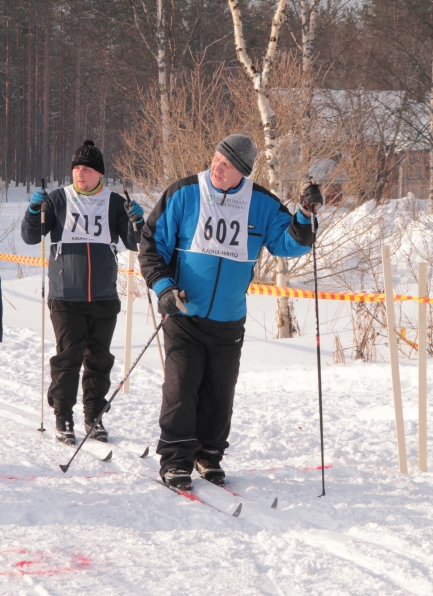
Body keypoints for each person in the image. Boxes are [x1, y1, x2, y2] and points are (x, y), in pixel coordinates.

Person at [138, 134, 323, 489]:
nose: (216, 167)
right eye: (215, 160)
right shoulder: (185, 192)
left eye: (226, 165)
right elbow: (151, 244)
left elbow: (289, 243)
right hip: (184, 313)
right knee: (181, 388)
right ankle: (176, 459)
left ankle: (208, 454)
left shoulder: (261, 203)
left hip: (229, 318)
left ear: (242, 171)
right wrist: (163, 288)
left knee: (219, 393)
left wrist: (305, 213)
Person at [21, 140, 144, 446]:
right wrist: (34, 210)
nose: (79, 173)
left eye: (86, 169)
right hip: (66, 297)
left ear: (99, 174)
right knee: (69, 358)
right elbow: (30, 236)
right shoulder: (59, 199)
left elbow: (133, 242)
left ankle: (94, 415)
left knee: (99, 359)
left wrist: (137, 220)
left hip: (103, 296)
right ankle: (63, 415)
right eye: (76, 168)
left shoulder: (114, 202)